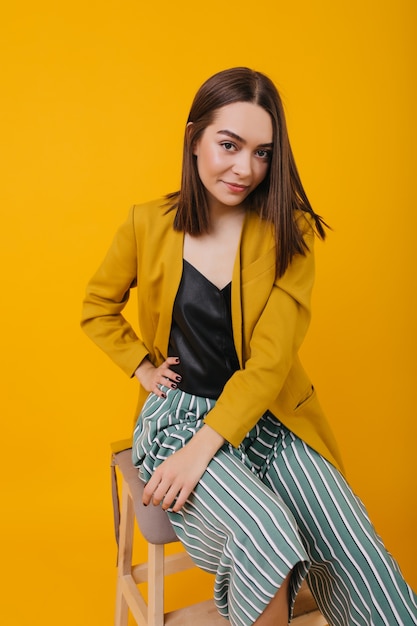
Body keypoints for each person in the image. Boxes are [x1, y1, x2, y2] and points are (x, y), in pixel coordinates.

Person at [81, 67, 417, 626]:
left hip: (267, 416)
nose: (245, 168)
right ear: (194, 139)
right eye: (228, 145)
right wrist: (140, 366)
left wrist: (208, 445)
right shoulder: (148, 224)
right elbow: (97, 305)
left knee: (352, 540)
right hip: (177, 421)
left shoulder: (292, 234)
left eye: (262, 153)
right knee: (265, 533)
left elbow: (271, 362)